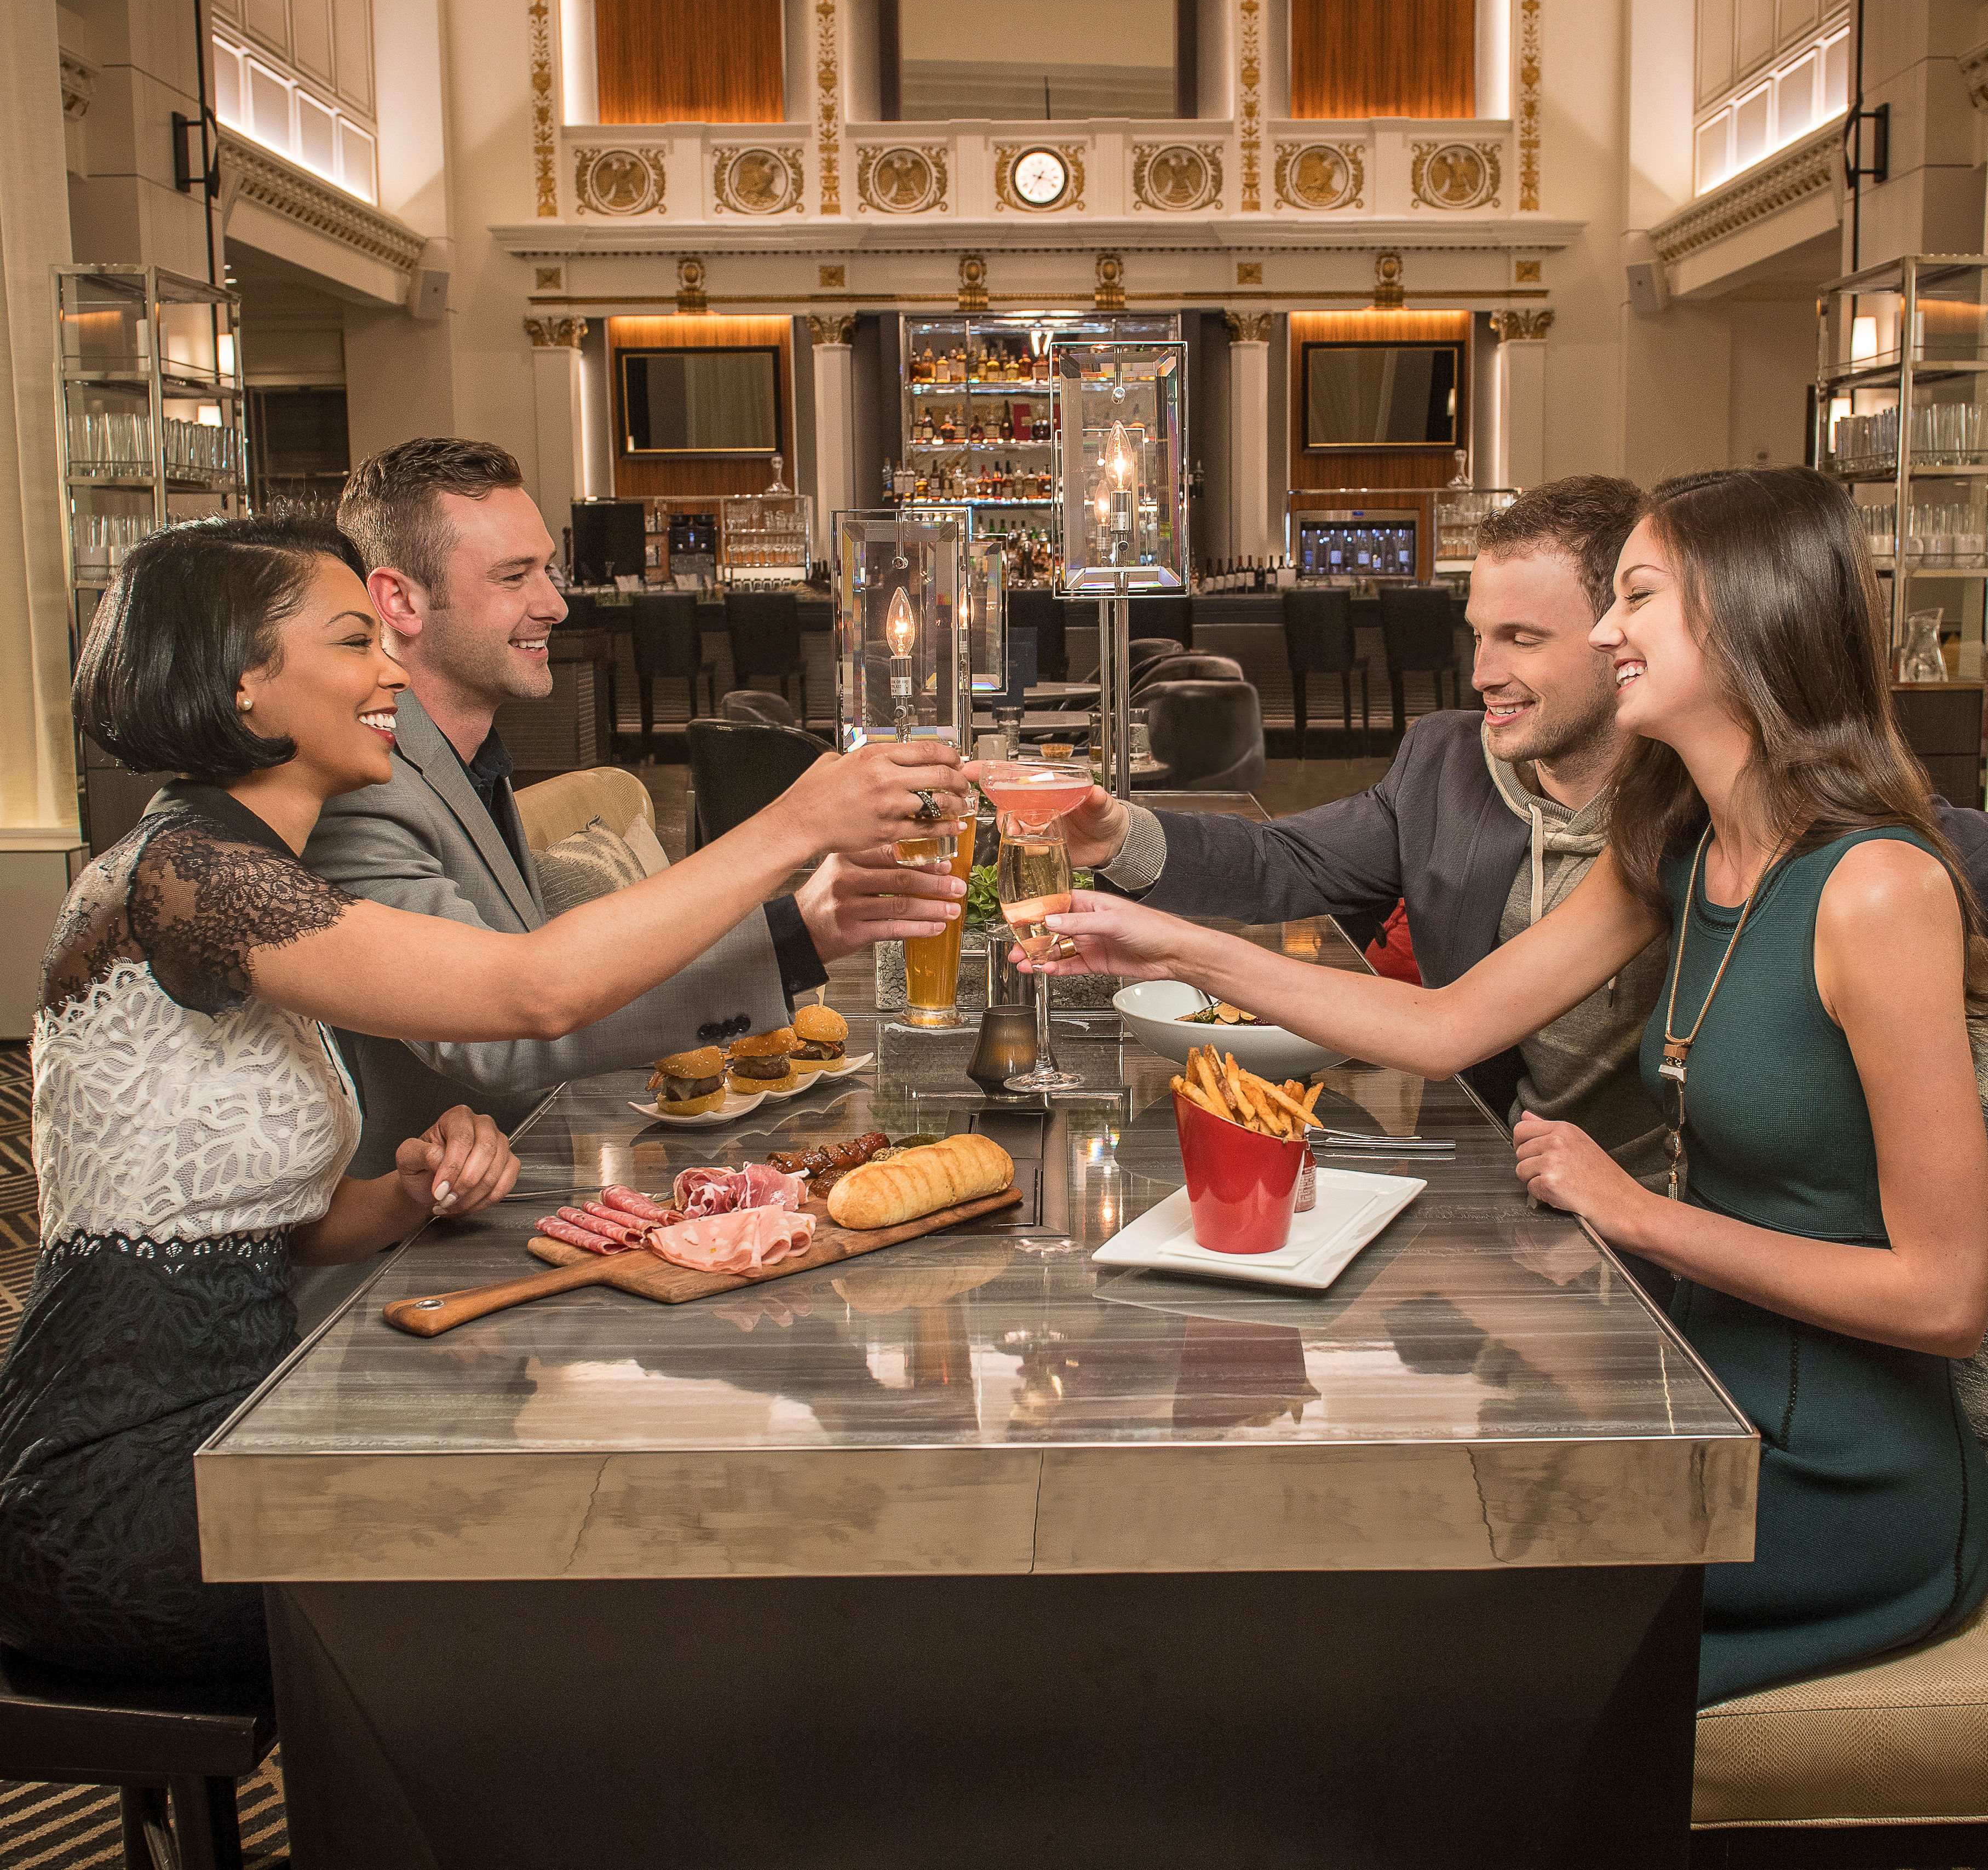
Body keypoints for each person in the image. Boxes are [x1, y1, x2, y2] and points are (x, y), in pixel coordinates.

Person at [1029, 467, 1988, 1705]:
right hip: (1696, 1392)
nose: (1605, 633)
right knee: (1375, 1576)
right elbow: (1440, 1030)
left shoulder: (1876, 886)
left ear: (1750, 618)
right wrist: (1166, 943)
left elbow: (1952, 1295)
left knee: (1442, 1653)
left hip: (1836, 1474)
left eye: (1636, 599)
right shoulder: (1682, 844)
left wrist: (1630, 1208)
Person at [0, 518, 967, 1680]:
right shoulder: (188, 876)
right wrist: (793, 824)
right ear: (246, 685)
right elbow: (536, 990)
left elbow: (275, 1233)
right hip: (133, 1479)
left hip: (255, 1419)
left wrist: (406, 1193)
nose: (392, 672)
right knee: (605, 1555)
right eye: (355, 642)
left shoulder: (244, 873)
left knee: (634, 1518)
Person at [1063, 475, 1988, 1188]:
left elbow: (1901, 843)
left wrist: (1630, 1211)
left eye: (1525, 637)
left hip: (1676, 1255)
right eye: (1477, 633)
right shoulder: (1587, 814)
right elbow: (1425, 1010)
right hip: (1534, 1202)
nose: (1481, 673)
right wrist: (1128, 865)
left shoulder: (1809, 849)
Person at [306, 439, 969, 1178]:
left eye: (548, 570)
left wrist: (800, 932)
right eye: (514, 577)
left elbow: (576, 989)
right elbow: (501, 1028)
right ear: (398, 599)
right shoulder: (359, 789)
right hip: (410, 1245)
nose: (554, 605)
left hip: (528, 1177)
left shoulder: (459, 759)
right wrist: (794, 823)